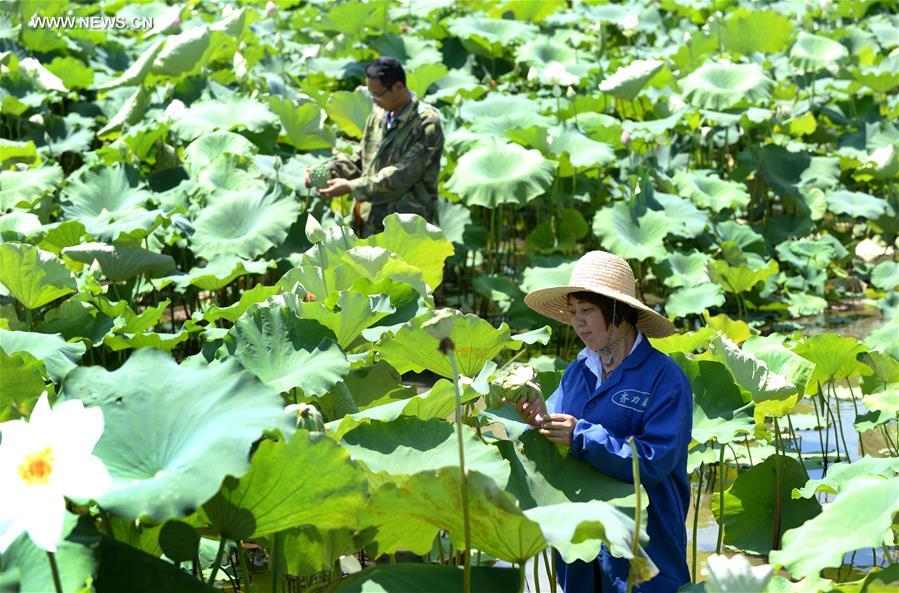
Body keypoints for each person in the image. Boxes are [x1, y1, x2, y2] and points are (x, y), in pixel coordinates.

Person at [517, 250, 693, 593]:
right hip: (580, 548)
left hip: (645, 544)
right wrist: (537, 420)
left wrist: (580, 437)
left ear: (618, 311)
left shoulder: (665, 378)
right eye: (572, 313)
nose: (578, 323)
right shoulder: (576, 372)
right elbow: (554, 441)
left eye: (587, 311)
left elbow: (653, 462)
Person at [305, 57, 444, 234]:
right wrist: (326, 171)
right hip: (367, 220)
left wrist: (351, 187)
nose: (374, 101)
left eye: (377, 94)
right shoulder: (378, 115)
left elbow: (401, 176)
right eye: (371, 94)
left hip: (405, 228)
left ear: (398, 87)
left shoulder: (426, 123)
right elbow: (362, 160)